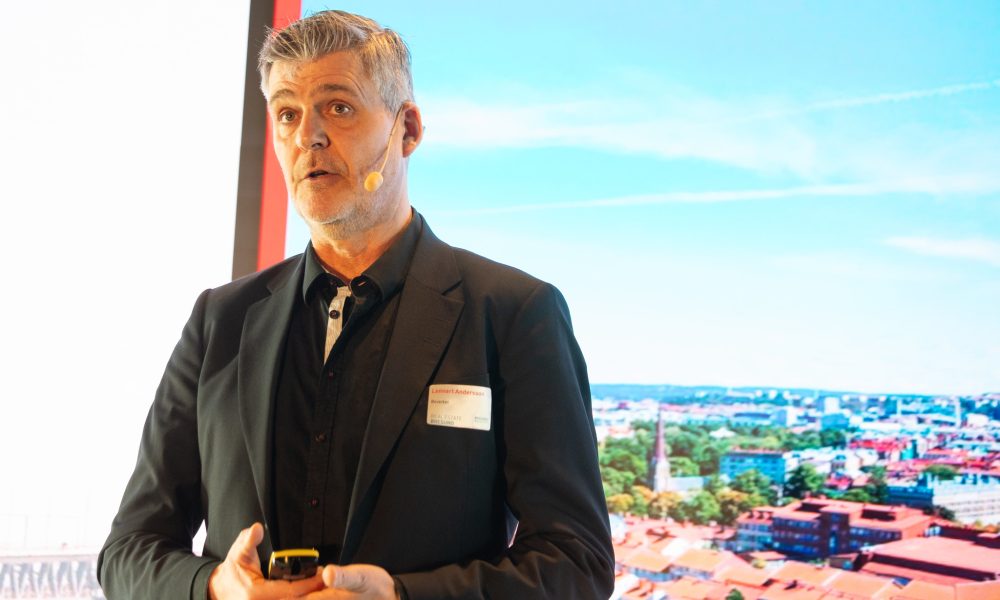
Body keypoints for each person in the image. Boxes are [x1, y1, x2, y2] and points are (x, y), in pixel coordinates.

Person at [98, 10, 613, 600]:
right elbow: (128, 551)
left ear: (407, 129)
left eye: (338, 107)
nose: (307, 137)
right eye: (287, 114)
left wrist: (401, 596)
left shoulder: (514, 313)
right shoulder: (221, 321)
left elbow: (577, 562)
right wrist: (216, 587)